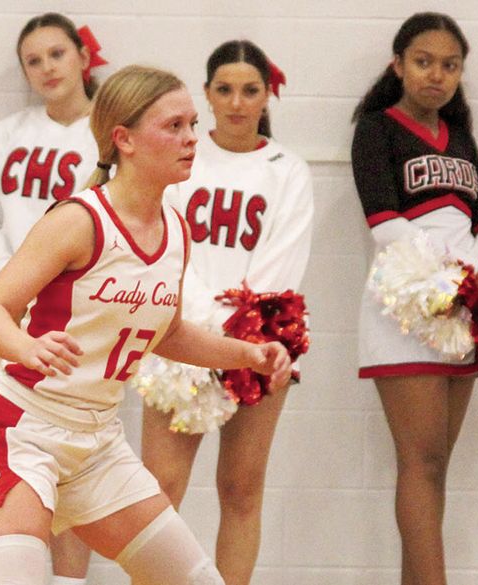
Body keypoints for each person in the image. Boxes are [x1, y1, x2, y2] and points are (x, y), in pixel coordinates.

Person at [0, 64, 292, 585]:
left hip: (98, 445)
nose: (190, 139)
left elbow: (171, 332)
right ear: (125, 140)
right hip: (22, 431)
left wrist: (247, 354)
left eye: (191, 125)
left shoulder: (175, 230)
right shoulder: (78, 220)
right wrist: (26, 347)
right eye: (173, 126)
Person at [138, 40, 314, 585]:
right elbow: (157, 244)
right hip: (178, 337)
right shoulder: (180, 158)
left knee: (241, 488)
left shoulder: (288, 169)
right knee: (159, 490)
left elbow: (281, 266)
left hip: (258, 341)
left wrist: (234, 337)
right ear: (207, 95)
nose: (237, 103)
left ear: (268, 95)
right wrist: (192, 328)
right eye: (224, 90)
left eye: (250, 90)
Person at [350, 12, 478, 585]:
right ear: (398, 65)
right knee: (419, 462)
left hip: (462, 312)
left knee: (436, 466)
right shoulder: (376, 129)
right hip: (406, 306)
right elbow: (384, 222)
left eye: (449, 65)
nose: (436, 75)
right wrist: (456, 276)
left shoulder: (461, 137)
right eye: (423, 61)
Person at [0, 13, 104, 584]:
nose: (46, 68)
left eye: (57, 54)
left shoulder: (109, 139)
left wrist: (52, 297)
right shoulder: (3, 137)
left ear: (83, 57)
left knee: (72, 475)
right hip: (5, 321)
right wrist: (17, 295)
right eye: (33, 60)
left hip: (77, 327)